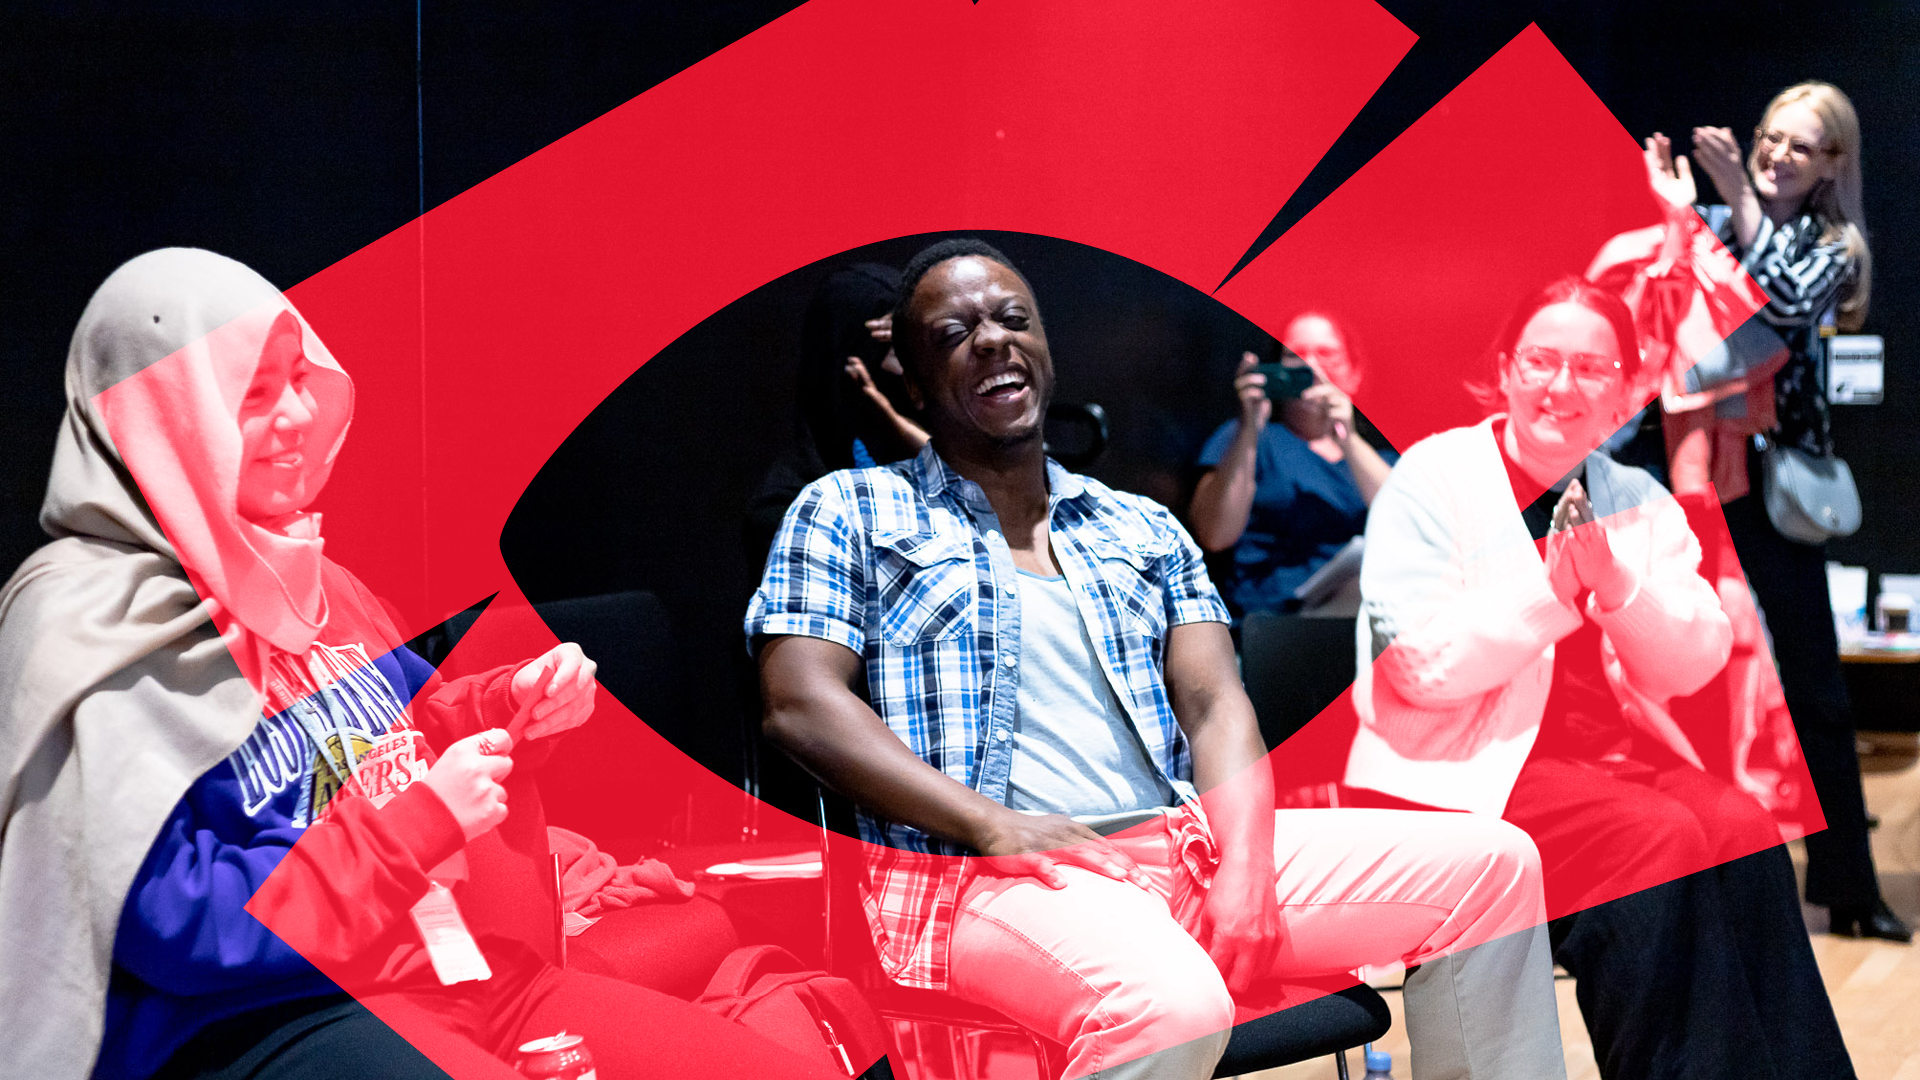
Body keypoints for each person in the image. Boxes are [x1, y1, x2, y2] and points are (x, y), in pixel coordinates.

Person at [0, 249, 855, 1080]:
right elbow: (175, 924)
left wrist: (505, 707)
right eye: (252, 395)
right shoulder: (90, 621)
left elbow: (404, 727)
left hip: (450, 968)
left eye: (299, 379)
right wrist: (418, 827)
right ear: (160, 415)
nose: (296, 416)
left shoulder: (306, 573)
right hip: (270, 1017)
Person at [748, 238, 1566, 1080]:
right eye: (955, 334)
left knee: (1495, 867)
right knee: (1172, 1009)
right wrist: (991, 823)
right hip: (984, 877)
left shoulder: (1137, 524)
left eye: (1012, 319)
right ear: (914, 384)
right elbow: (799, 703)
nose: (992, 340)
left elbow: (1216, 703)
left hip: (1181, 845)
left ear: (1045, 351)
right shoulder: (848, 510)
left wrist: (1244, 868)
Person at [1349, 276, 1857, 1080]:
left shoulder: (1635, 496)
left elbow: (1695, 658)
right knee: (1659, 842)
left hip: (1604, 767)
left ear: (1624, 390)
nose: (1562, 386)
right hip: (1460, 777)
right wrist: (1552, 594)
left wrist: (1617, 587)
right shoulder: (1434, 476)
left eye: (1591, 368)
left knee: (1743, 832)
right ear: (1505, 370)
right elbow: (1417, 667)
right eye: (1541, 361)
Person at [1678, 82, 1904, 941]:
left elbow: (1772, 310)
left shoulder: (1832, 247)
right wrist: (1684, 209)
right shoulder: (1702, 218)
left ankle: (1850, 889)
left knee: (1814, 689)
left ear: (1832, 165)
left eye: (1799, 146)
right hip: (1687, 477)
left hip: (1773, 493)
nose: (1776, 155)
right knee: (1688, 686)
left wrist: (1737, 198)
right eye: (1770, 137)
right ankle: (1698, 890)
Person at [1188, 314, 1393, 617]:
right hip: (1270, 625)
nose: (1310, 366)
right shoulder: (1246, 439)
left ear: (1354, 372)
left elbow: (1412, 524)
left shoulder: (1380, 460)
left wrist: (1347, 439)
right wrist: (1249, 427)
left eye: (1326, 354)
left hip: (1359, 622)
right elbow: (1214, 535)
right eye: (1294, 355)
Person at [744, 262, 928, 568]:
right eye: (897, 350)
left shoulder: (960, 461)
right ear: (848, 354)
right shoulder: (789, 510)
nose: (918, 370)